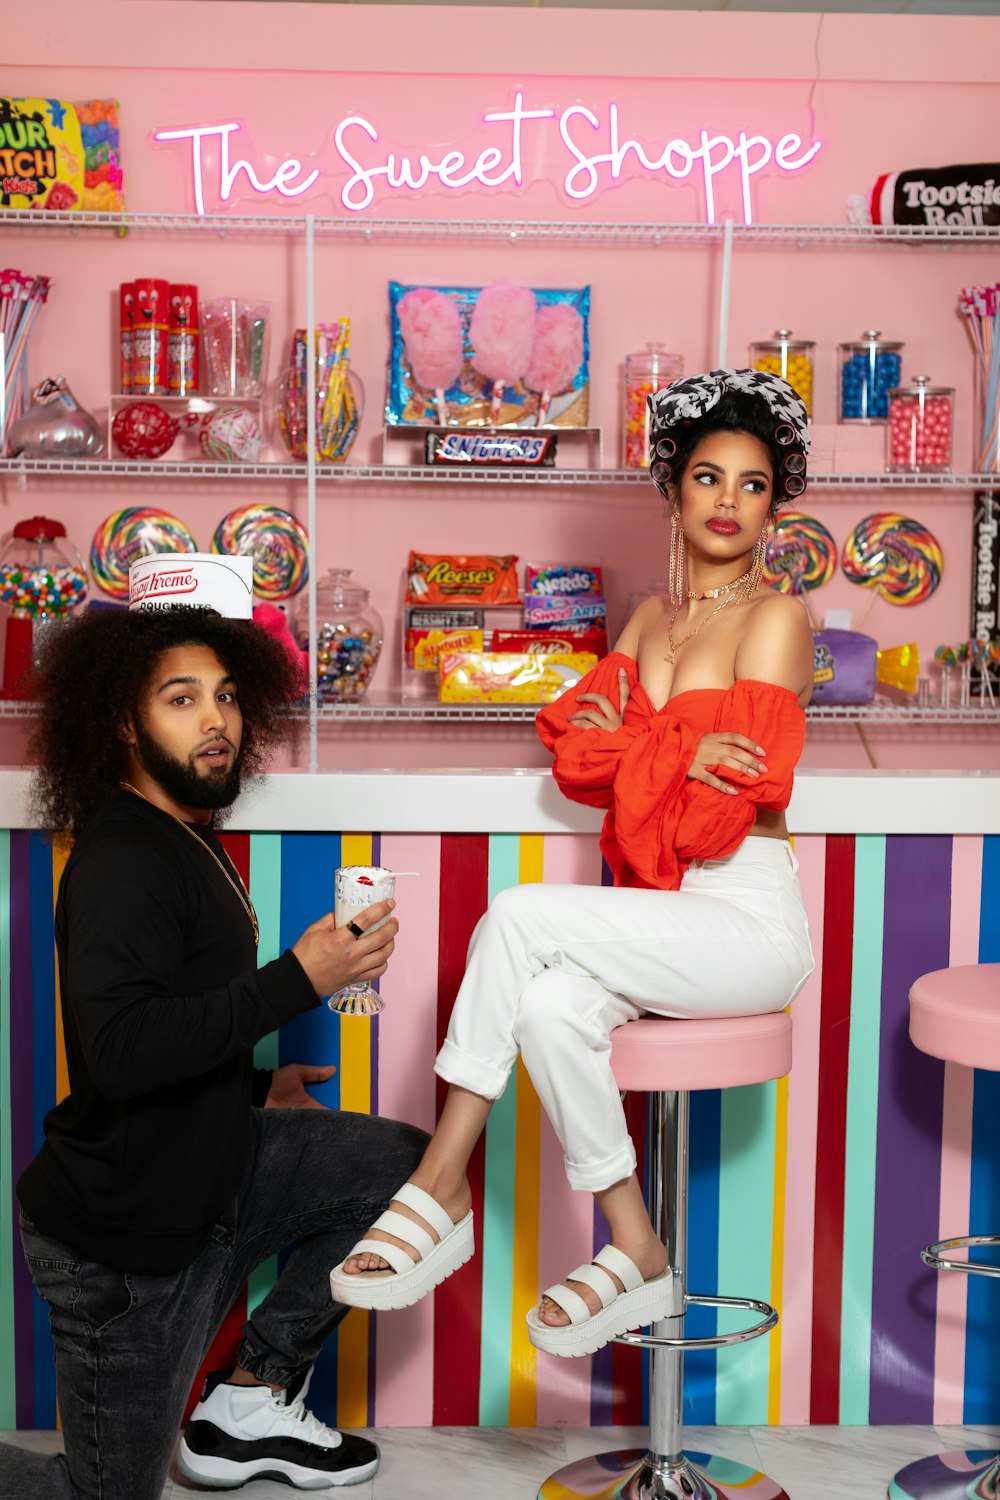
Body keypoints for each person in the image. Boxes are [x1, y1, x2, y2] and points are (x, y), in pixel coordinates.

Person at [327, 368, 816, 1359]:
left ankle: (437, 1181)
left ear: (775, 502)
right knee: (547, 1009)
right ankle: (636, 1246)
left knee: (516, 916)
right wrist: (680, 748)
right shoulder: (645, 623)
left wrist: (653, 748)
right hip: (655, 911)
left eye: (752, 484)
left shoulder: (777, 618)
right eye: (708, 477)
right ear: (672, 489)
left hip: (743, 920)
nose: (727, 501)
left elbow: (739, 800)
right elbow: (575, 754)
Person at [2, 606, 426, 1500]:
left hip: (214, 1176)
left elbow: (177, 1012)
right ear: (124, 723)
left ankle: (252, 1399)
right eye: (181, 698)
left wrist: (257, 1083)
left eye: (227, 696)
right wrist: (299, 980)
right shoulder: (123, 857)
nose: (216, 720)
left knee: (403, 1167)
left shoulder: (190, 834)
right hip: (123, 1248)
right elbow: (118, 1052)